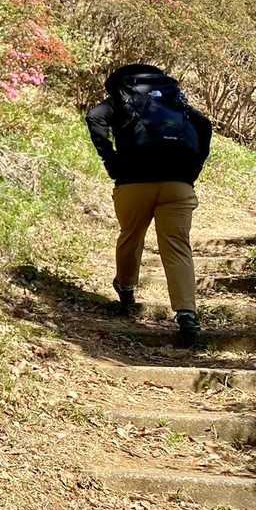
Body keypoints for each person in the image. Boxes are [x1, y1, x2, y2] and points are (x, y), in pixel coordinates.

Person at [85, 64, 213, 346]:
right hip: (178, 183)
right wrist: (192, 168)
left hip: (133, 181)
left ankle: (127, 290)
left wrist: (110, 159)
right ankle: (187, 314)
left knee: (131, 235)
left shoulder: (122, 97)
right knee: (177, 246)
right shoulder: (170, 98)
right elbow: (203, 125)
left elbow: (94, 117)